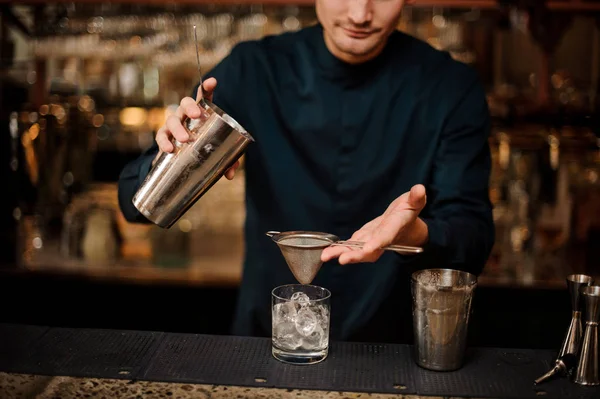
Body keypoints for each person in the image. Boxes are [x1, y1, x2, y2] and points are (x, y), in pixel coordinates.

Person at [118, 0, 495, 343]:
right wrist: (167, 161)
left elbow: (473, 236)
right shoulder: (254, 68)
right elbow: (132, 206)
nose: (360, 14)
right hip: (266, 339)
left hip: (390, 346)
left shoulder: (451, 87)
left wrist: (417, 233)